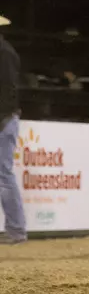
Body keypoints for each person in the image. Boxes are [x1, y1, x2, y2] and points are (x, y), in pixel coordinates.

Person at [0, 15, 27, 245]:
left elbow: (8, 91)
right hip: (5, 118)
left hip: (3, 119)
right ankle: (16, 229)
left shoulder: (4, 53)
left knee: (4, 174)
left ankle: (17, 229)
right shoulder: (6, 52)